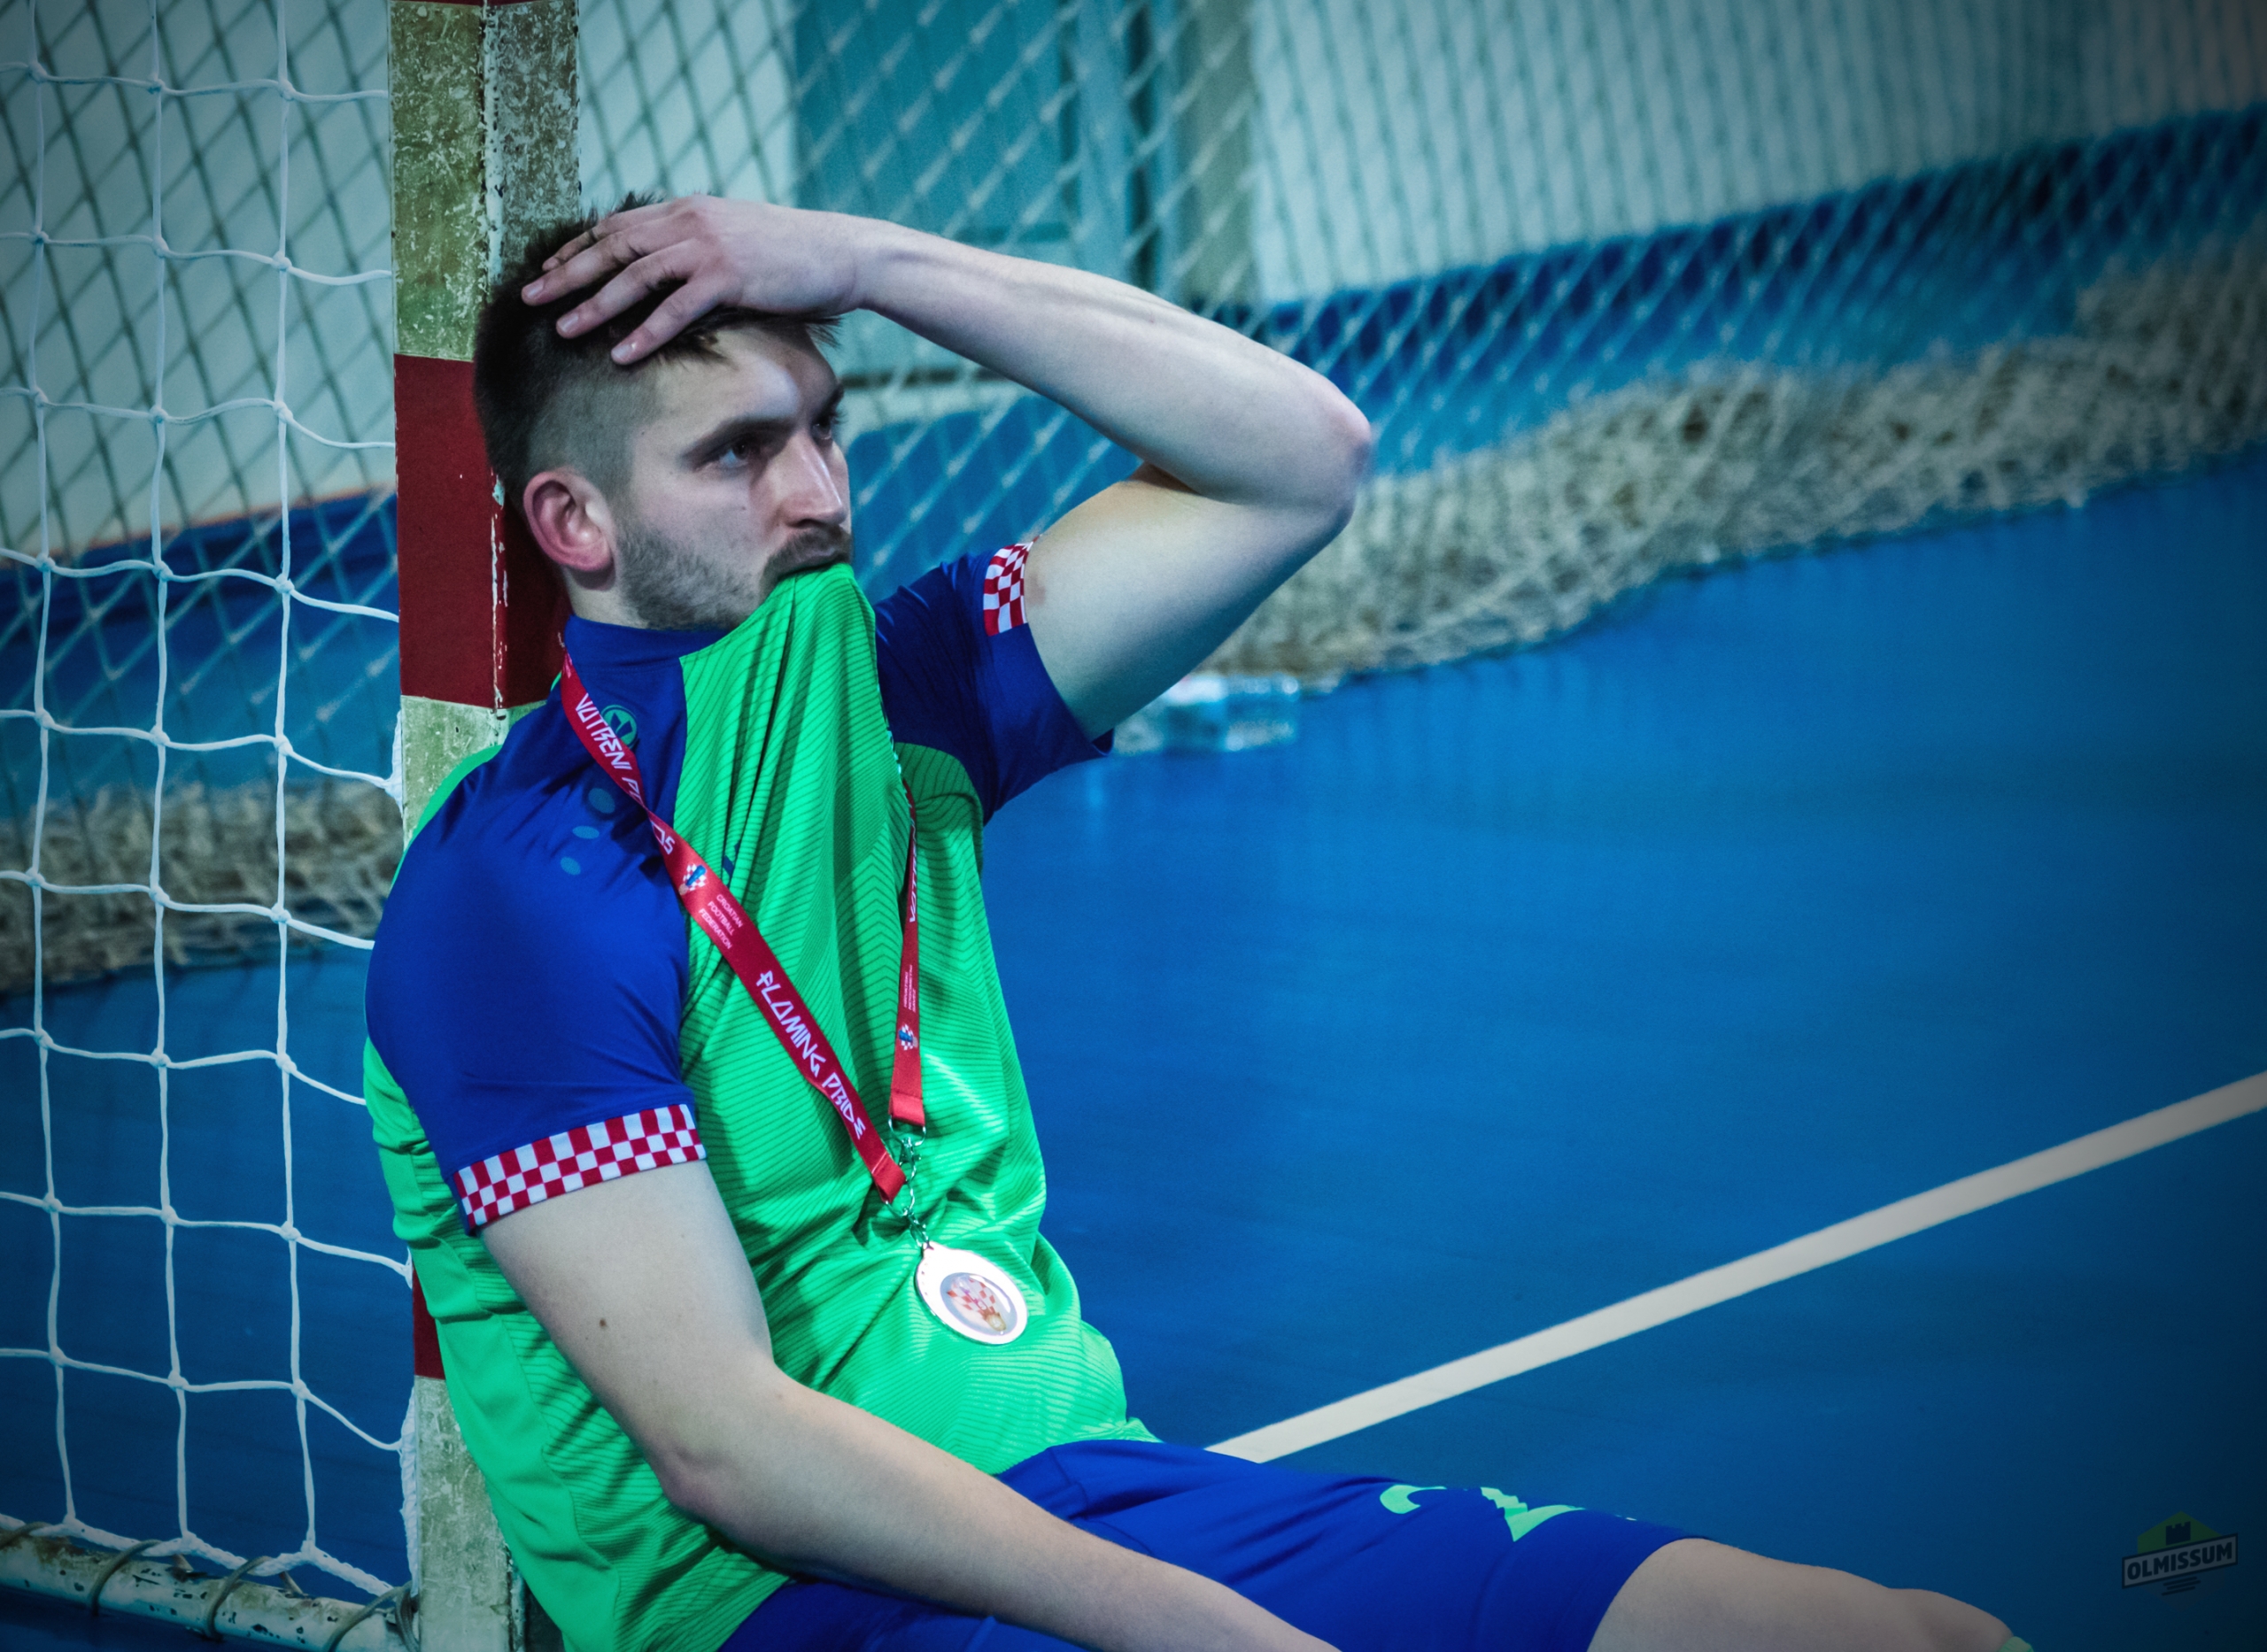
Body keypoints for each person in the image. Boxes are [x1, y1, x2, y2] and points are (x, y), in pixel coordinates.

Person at [363, 195, 2024, 1652]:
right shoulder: (520, 890)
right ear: (576, 523)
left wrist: (866, 260)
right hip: (800, 1601)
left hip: (1099, 1501)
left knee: (1899, 1633)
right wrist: (1200, 1625)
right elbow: (725, 1446)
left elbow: (1303, 459)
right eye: (736, 452)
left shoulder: (907, 688)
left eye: (826, 426)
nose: (817, 493)